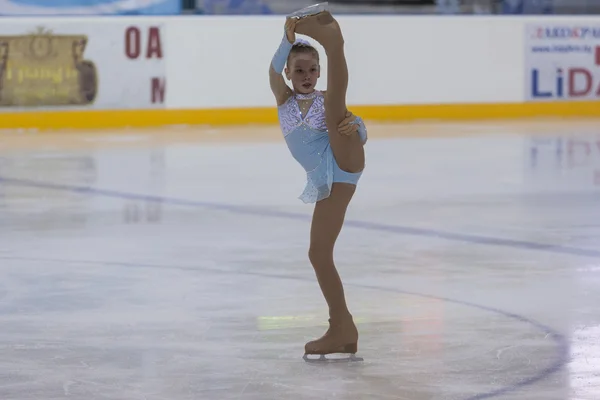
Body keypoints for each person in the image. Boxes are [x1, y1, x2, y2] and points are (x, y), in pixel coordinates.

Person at [268, 9, 368, 360]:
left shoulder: (326, 99)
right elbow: (269, 69)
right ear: (288, 73)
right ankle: (342, 326)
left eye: (313, 69)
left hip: (343, 160)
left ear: (320, 70)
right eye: (299, 70)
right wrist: (287, 38)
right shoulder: (284, 100)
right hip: (331, 176)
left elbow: (361, 134)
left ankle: (334, 43)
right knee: (318, 253)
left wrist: (357, 126)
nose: (307, 76)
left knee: (334, 106)